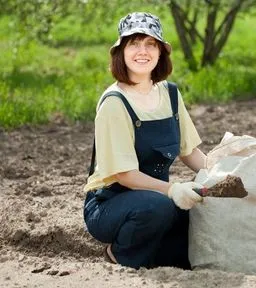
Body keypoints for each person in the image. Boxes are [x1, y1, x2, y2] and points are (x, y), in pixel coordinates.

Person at [83, 12, 207, 270]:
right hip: (112, 205)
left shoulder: (171, 94)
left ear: (161, 52)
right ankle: (119, 254)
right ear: (121, 52)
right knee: (159, 207)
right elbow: (125, 174)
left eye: (150, 43)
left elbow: (189, 152)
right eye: (134, 43)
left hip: (157, 198)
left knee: (197, 216)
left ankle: (153, 255)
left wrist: (220, 172)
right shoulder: (114, 103)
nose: (143, 51)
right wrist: (173, 190)